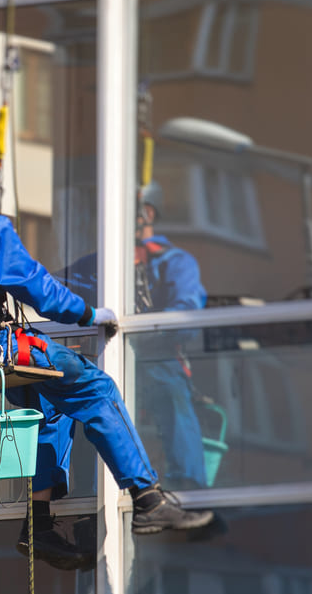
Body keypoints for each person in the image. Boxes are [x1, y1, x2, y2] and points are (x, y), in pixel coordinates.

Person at [0, 138, 213, 571]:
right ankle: (148, 498)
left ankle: (40, 523)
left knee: (50, 403)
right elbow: (36, 287)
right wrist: (87, 313)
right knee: (95, 387)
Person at [61, 182, 210, 488]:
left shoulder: (173, 262)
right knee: (72, 397)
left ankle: (188, 484)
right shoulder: (94, 265)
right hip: (103, 356)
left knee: (171, 392)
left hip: (157, 357)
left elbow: (186, 314)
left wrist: (142, 333)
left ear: (147, 213)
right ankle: (85, 492)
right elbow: (56, 288)